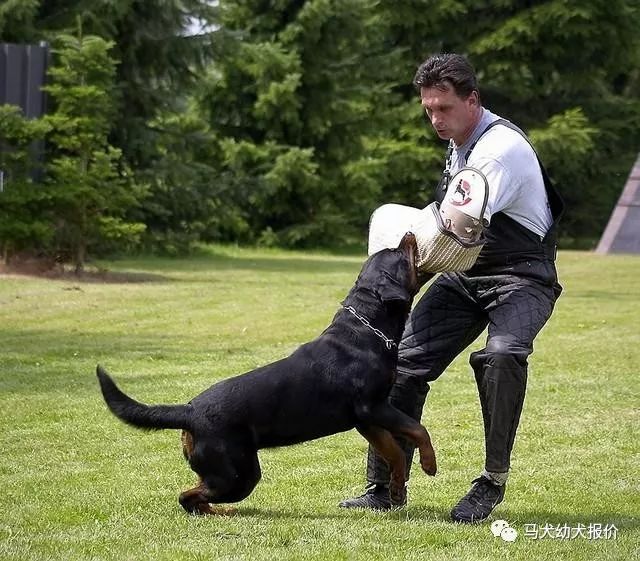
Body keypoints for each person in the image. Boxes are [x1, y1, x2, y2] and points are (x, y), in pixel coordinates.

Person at [339, 53, 564, 523]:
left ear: (473, 100)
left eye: (444, 108)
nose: (436, 119)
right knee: (400, 365)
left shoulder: (498, 150)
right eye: (428, 110)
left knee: (501, 357)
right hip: (467, 275)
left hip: (522, 277)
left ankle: (491, 481)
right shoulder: (460, 143)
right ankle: (386, 485)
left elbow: (448, 231)